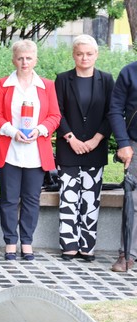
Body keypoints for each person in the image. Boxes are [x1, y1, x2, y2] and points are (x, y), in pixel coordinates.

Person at [0, 39, 60, 261]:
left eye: (29, 58)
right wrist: (12, 131)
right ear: (13, 60)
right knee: (9, 199)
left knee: (31, 199)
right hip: (10, 150)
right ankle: (10, 242)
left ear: (35, 60)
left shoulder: (47, 86)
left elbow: (55, 116)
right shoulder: (4, 84)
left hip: (36, 153)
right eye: (20, 58)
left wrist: (39, 130)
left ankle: (27, 242)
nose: (24, 62)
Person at [55, 35, 113, 262]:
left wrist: (97, 139)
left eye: (89, 54)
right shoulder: (63, 79)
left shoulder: (106, 80)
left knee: (91, 198)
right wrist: (71, 138)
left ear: (96, 55)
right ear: (73, 55)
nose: (84, 58)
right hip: (68, 147)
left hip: (95, 148)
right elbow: (57, 112)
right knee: (68, 197)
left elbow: (112, 112)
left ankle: (87, 245)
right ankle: (69, 244)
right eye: (80, 54)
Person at [109, 57, 137, 273]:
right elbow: (115, 109)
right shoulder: (129, 72)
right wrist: (123, 143)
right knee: (133, 202)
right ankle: (127, 254)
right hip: (134, 144)